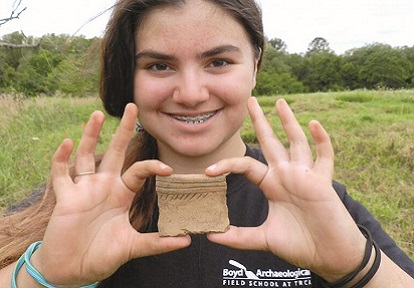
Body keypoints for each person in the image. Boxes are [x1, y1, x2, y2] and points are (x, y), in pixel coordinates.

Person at [0, 0, 413, 287]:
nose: (192, 93)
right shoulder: (73, 204)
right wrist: (44, 274)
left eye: (218, 62)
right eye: (159, 65)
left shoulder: (320, 204)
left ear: (256, 65)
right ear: (131, 77)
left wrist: (355, 267)